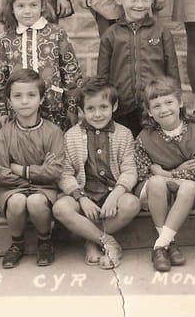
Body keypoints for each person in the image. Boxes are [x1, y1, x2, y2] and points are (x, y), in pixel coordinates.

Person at [53, 77, 140, 270]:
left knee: (132, 204)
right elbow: (65, 173)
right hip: (84, 195)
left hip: (112, 195)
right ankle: (107, 240)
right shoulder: (71, 136)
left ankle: (91, 240)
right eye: (91, 109)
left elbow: (129, 170)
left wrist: (116, 195)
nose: (98, 114)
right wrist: (81, 197)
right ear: (81, 110)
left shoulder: (124, 134)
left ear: (114, 106)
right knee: (60, 208)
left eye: (103, 107)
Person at [134, 77, 195, 272]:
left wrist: (166, 172)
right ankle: (169, 243)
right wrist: (174, 173)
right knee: (156, 182)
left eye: (169, 102)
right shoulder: (144, 138)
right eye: (156, 106)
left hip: (190, 192)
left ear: (180, 103)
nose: (164, 109)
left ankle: (160, 246)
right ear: (149, 112)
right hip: (156, 194)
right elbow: (143, 173)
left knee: (187, 187)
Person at [0, 69, 65, 268]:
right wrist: (39, 171)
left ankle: (44, 241)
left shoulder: (53, 132)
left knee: (35, 201)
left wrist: (22, 170)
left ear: (41, 99)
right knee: (17, 201)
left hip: (44, 190)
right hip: (11, 189)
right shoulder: (4, 134)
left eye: (31, 95)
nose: (24, 101)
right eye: (17, 96)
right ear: (9, 101)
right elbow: (3, 173)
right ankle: (17, 243)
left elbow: (55, 171)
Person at [0, 0, 83, 131]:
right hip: (19, 113)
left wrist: (72, 107)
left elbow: (71, 72)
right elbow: (1, 78)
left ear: (42, 5)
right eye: (21, 6)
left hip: (54, 111)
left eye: (33, 5)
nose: (27, 11)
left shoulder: (56, 34)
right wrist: (2, 111)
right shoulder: (7, 40)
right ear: (12, 8)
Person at [97, 0, 180, 138]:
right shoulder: (111, 35)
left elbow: (172, 70)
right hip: (122, 108)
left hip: (155, 106)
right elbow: (102, 76)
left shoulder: (161, 32)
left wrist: (176, 100)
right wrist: (105, 103)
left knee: (154, 145)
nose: (140, 4)